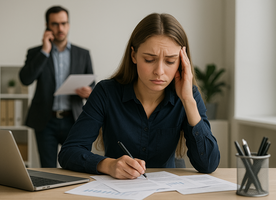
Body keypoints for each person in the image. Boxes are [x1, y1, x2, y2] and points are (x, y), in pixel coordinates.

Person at [58, 13, 220, 179]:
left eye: (170, 61)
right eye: (149, 59)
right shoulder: (106, 92)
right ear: (133, 55)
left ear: (182, 61)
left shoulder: (189, 97)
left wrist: (187, 100)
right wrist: (109, 165)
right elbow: (69, 152)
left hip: (167, 192)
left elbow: (208, 164)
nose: (159, 71)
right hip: (117, 190)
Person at [19, 6, 95, 168]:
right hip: (45, 121)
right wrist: (45, 51)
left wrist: (88, 93)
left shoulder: (83, 54)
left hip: (73, 120)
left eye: (64, 23)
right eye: (55, 24)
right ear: (47, 25)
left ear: (68, 24)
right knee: (48, 169)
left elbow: (92, 86)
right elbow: (25, 79)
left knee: (76, 166)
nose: (60, 28)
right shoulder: (36, 53)